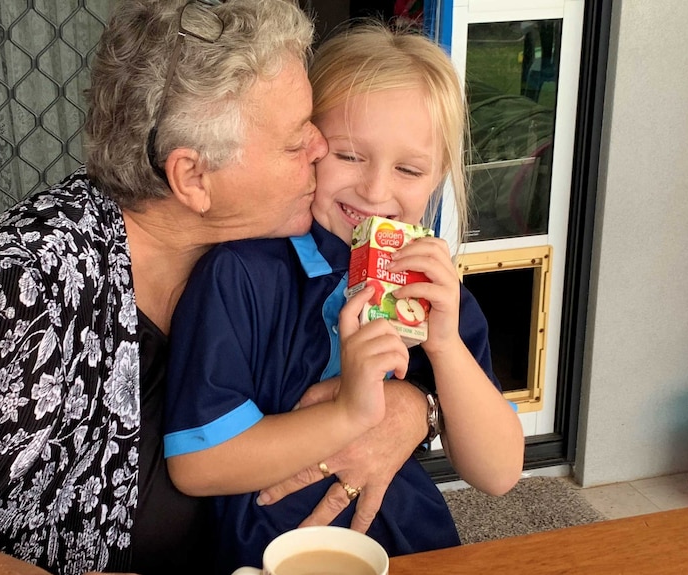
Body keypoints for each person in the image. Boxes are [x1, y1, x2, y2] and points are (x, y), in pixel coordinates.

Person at [0, 2, 434, 574]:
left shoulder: (270, 241)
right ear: (193, 178)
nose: (322, 147)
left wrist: (414, 408)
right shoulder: (27, 284)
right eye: (295, 136)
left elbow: (385, 356)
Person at [163, 22, 526, 572]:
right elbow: (197, 463)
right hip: (264, 553)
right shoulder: (241, 275)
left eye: (408, 169)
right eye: (350, 156)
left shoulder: (432, 296)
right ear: (308, 146)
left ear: (439, 178)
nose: (377, 192)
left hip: (404, 543)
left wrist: (446, 346)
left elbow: (498, 472)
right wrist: (353, 412)